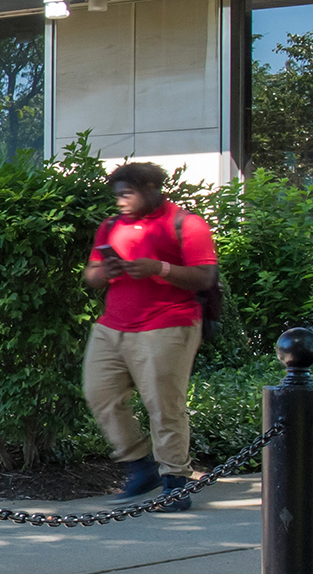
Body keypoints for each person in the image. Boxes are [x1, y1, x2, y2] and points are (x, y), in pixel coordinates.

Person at [83, 160, 217, 506]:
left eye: (127, 195)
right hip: (113, 325)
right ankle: (140, 465)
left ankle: (176, 480)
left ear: (151, 190)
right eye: (117, 195)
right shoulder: (110, 226)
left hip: (168, 323)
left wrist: (159, 268)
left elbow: (205, 278)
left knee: (164, 405)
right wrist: (106, 271)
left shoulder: (186, 224)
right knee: (99, 393)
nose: (120, 202)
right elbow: (92, 276)